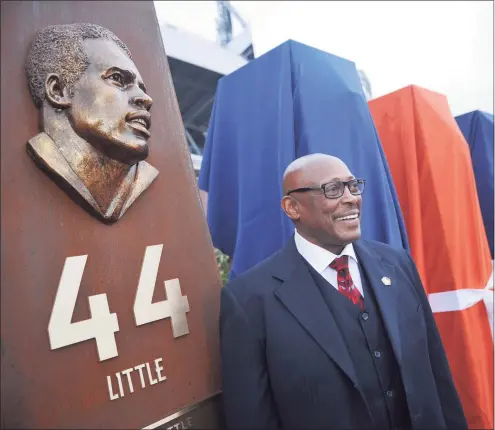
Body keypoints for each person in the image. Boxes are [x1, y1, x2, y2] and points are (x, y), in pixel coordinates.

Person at [219, 153, 467, 430]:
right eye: (333, 189)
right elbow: (252, 418)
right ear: (292, 207)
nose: (351, 198)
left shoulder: (397, 264)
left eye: (353, 186)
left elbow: (437, 373)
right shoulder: (248, 300)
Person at [25, 23, 158, 223]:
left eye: (141, 88)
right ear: (58, 91)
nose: (146, 99)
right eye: (118, 79)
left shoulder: (142, 177)